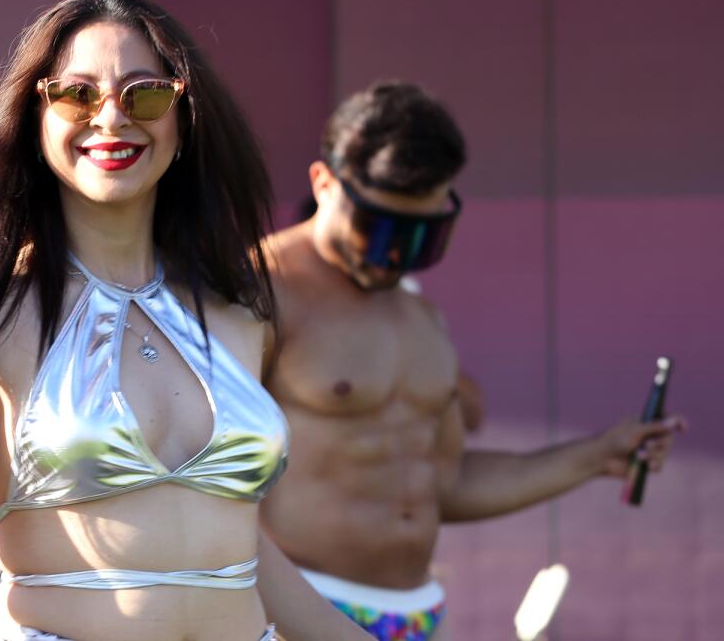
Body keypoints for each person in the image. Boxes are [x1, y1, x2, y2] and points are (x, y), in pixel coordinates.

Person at [0, 0, 369, 640]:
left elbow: (233, 549)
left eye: (144, 93)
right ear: (36, 117)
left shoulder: (237, 312)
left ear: (183, 119)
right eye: (77, 94)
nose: (112, 118)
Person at [261, 82, 685, 641]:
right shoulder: (256, 292)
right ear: (324, 183)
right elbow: (201, 489)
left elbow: (445, 483)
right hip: (298, 616)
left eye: (421, 235)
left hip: (419, 617)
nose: (394, 254)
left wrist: (597, 455)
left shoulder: (420, 315)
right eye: (379, 227)